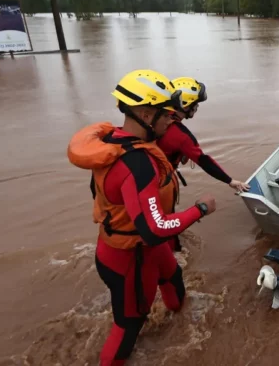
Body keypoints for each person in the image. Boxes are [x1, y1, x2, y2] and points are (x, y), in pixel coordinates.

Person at [67, 69, 217, 366]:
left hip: (142, 249)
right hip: (129, 258)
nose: (172, 121)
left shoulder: (113, 141)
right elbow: (154, 228)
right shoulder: (137, 164)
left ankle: (180, 323)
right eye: (167, 116)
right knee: (128, 326)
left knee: (173, 278)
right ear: (147, 115)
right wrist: (199, 209)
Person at [157, 76, 250, 194]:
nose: (197, 107)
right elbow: (204, 161)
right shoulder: (182, 135)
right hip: (159, 183)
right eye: (195, 103)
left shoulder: (155, 119)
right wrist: (230, 181)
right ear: (185, 105)